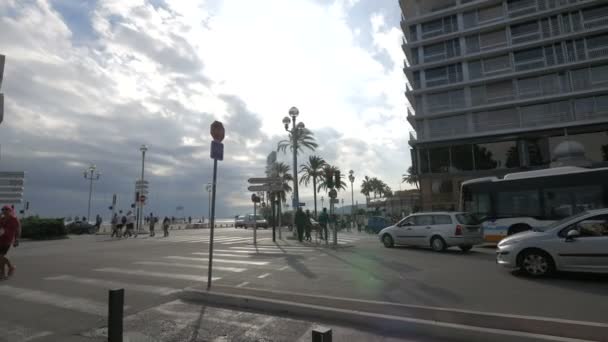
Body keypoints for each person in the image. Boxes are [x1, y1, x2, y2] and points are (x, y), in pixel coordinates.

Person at [0, 205, 20, 279]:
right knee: (1, 258)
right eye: (3, 209)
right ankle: (9, 268)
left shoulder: (14, 219)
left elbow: (18, 230)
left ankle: (4, 272)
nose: (4, 211)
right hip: (1, 240)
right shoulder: (1, 219)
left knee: (2, 257)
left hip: (9, 240)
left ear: (10, 211)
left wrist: (17, 239)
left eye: (6, 209)